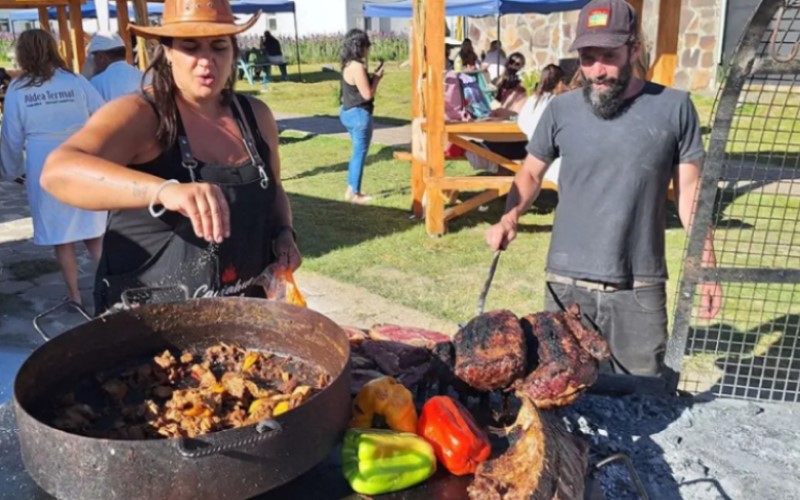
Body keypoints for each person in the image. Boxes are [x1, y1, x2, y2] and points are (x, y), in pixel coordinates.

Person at [485, 0, 722, 378]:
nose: (597, 70)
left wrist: (706, 266)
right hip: (567, 286)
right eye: (587, 57)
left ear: (634, 49)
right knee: (563, 392)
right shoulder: (561, 110)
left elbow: (691, 194)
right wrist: (510, 215)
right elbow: (529, 173)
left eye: (609, 56)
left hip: (639, 288)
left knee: (641, 395)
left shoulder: (675, 108)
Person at [41, 0, 301, 314]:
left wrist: (284, 232)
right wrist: (164, 191)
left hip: (243, 317)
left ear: (233, 51)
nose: (206, 61)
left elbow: (274, 189)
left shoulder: (255, 116)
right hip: (151, 325)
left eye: (219, 47)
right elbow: (57, 172)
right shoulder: (141, 114)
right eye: (190, 47)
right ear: (167, 51)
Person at [0, 29, 106, 305]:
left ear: (23, 54)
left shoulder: (18, 90)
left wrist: (12, 169)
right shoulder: (75, 81)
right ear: (52, 49)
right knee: (93, 229)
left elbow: (11, 136)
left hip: (44, 160)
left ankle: (74, 295)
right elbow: (103, 113)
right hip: (81, 154)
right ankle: (111, 286)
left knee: (62, 234)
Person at [339, 28, 383, 205]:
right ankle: (355, 194)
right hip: (358, 115)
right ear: (360, 46)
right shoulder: (357, 67)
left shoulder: (348, 64)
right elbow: (367, 94)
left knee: (356, 153)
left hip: (347, 112)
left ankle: (351, 188)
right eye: (367, 46)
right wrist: (377, 79)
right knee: (359, 154)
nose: (368, 49)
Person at [86, 31, 146, 101]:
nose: (92, 61)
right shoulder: (144, 77)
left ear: (100, 57)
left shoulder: (96, 83)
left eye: (92, 57)